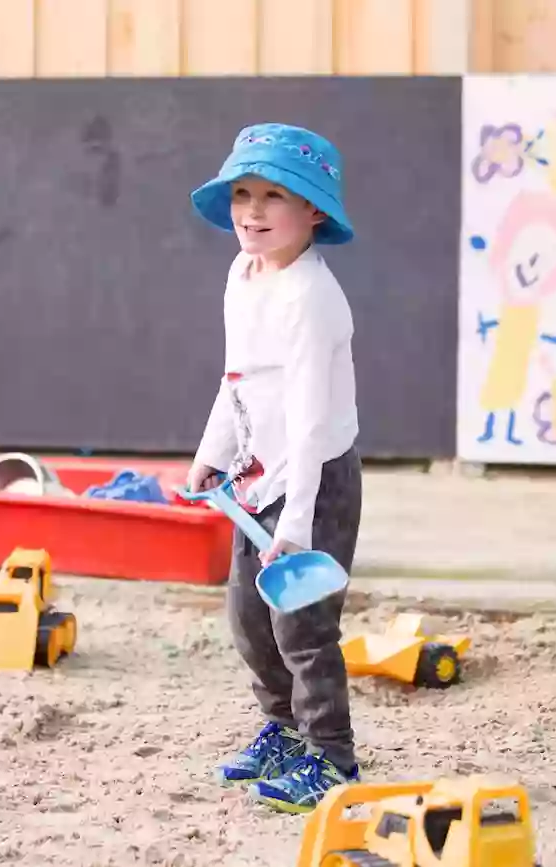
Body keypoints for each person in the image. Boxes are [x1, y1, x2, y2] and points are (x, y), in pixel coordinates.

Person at [185, 122, 363, 814]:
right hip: (258, 476)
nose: (251, 212)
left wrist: (296, 522)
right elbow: (238, 377)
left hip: (313, 482)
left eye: (273, 197)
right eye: (242, 193)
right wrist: (213, 452)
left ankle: (332, 756)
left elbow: (312, 416)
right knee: (250, 619)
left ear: (314, 210)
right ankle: (285, 732)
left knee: (303, 627)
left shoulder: (310, 297)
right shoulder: (245, 273)